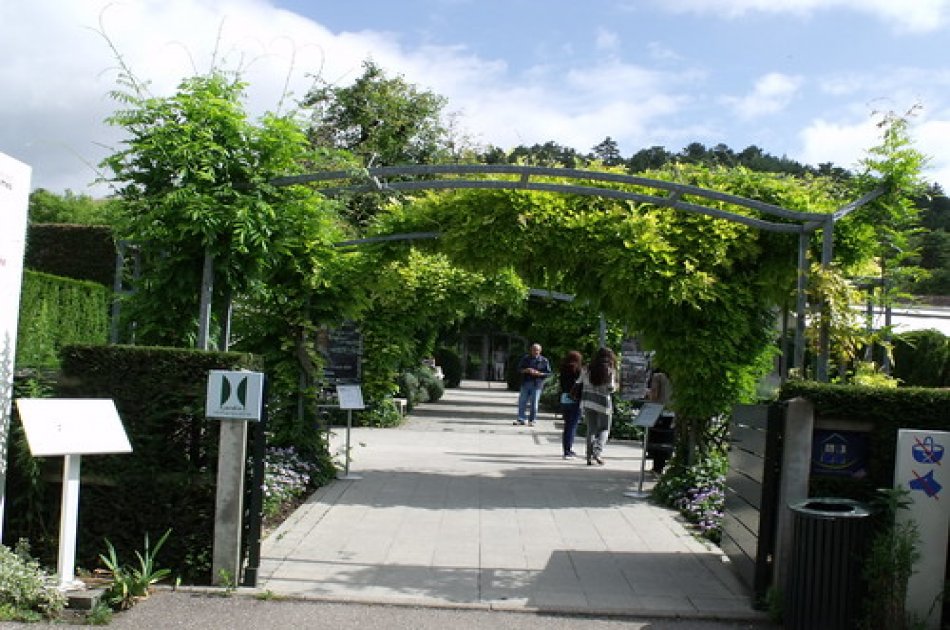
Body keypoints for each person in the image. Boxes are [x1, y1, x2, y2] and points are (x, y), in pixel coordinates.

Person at [579, 347, 617, 465]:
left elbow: (579, 382)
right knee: (605, 428)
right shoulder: (610, 370)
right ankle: (597, 451)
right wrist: (616, 386)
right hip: (603, 403)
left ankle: (588, 457)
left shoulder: (587, 369)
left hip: (588, 401)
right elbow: (610, 388)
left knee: (591, 429)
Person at [514, 343, 551, 426]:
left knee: (534, 404)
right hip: (525, 383)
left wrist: (539, 373)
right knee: (522, 402)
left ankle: (532, 420)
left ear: (540, 351)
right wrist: (526, 370)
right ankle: (521, 419)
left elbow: (548, 373)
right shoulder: (525, 359)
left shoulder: (544, 360)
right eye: (534, 349)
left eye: (537, 350)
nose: (535, 351)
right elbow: (519, 369)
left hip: (537, 384)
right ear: (531, 350)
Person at [558, 350, 584, 459]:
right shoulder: (578, 370)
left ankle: (567, 448)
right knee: (572, 426)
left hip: (564, 398)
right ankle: (567, 451)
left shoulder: (563, 369)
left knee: (567, 425)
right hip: (575, 400)